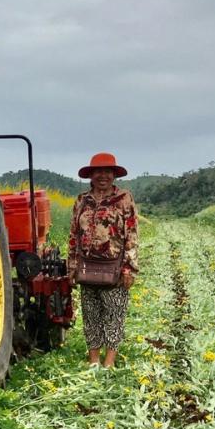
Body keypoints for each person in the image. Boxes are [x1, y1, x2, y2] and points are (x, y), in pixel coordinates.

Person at [68, 152, 139, 368]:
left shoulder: (123, 199)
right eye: (98, 172)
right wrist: (72, 266)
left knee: (114, 315)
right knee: (90, 316)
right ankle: (94, 361)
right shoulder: (82, 200)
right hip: (87, 267)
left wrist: (129, 268)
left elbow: (132, 234)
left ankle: (109, 363)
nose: (103, 176)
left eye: (107, 172)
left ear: (114, 175)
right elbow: (74, 236)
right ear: (91, 175)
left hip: (114, 268)